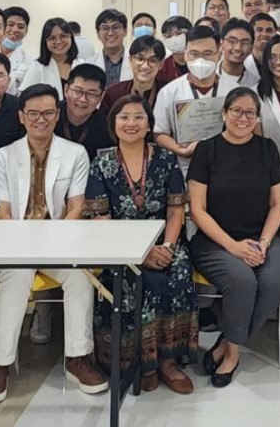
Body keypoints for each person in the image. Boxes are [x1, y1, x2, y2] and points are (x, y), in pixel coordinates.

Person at [0, 83, 107, 403]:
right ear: (21, 117)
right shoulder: (3, 156)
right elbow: (2, 211)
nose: (41, 119)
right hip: (14, 245)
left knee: (80, 275)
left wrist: (55, 243)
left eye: (48, 113)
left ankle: (78, 357)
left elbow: (76, 207)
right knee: (17, 275)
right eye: (33, 113)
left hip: (58, 243)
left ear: (57, 114)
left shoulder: (75, 153)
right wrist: (22, 245)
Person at [85, 94, 198, 395]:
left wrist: (168, 247)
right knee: (131, 278)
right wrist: (139, 254)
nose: (131, 123)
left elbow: (176, 210)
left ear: (149, 124)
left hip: (164, 242)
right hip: (118, 246)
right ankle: (140, 363)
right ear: (113, 124)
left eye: (138, 117)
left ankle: (168, 362)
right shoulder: (101, 162)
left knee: (177, 271)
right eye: (124, 117)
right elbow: (100, 219)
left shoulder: (165, 159)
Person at [188, 87, 280, 388]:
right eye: (236, 111)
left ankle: (226, 341)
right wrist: (233, 246)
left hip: (262, 237)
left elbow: (277, 204)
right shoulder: (207, 150)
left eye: (250, 113)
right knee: (242, 281)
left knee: (274, 284)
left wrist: (265, 242)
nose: (243, 118)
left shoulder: (267, 149)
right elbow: (197, 210)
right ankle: (232, 354)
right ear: (224, 114)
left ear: (257, 118)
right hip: (215, 241)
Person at [153, 25, 238, 172]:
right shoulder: (169, 92)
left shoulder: (234, 91)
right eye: (194, 54)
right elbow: (160, 133)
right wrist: (181, 150)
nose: (200, 60)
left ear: (218, 55)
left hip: (227, 166)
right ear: (185, 55)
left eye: (207, 54)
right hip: (184, 168)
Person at [57, 64, 115, 160]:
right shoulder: (49, 116)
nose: (83, 99)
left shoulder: (108, 128)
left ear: (101, 96)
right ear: (66, 89)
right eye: (77, 91)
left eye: (91, 94)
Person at [101, 35, 167, 115]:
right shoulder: (113, 94)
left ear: (161, 64)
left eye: (152, 61)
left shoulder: (168, 92)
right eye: (140, 59)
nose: (145, 66)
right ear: (130, 60)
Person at [21, 17, 86, 94]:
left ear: (71, 38)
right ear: (45, 42)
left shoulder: (82, 65)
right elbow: (23, 95)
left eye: (63, 36)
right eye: (52, 38)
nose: (58, 42)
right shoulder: (37, 66)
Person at [87, 9, 131, 87]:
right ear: (98, 34)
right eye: (105, 28)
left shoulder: (135, 62)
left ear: (125, 31)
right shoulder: (89, 63)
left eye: (115, 27)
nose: (110, 33)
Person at [218, 18, 259, 87]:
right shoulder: (209, 75)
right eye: (232, 41)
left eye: (245, 42)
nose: (238, 48)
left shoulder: (255, 83)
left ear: (251, 48)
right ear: (221, 44)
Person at [0, 6, 31, 91]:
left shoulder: (29, 61)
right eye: (10, 25)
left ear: (26, 31)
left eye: (21, 27)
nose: (15, 30)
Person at [156, 16, 193, 83]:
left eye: (179, 33)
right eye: (169, 36)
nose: (174, 39)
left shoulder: (199, 62)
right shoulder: (162, 68)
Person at [243, 13, 278, 83]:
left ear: (276, 34)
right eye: (259, 30)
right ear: (250, 34)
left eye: (269, 30)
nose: (264, 34)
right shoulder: (242, 64)